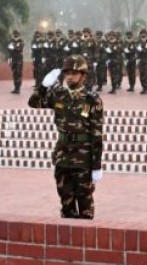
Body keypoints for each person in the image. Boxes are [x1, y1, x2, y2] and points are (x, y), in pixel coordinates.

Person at [28, 55, 103, 219]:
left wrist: (96, 165)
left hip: (83, 158)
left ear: (83, 75)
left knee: (85, 207)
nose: (69, 77)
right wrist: (43, 86)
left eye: (74, 73)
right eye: (67, 73)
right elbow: (33, 102)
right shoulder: (58, 95)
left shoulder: (92, 99)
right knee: (66, 205)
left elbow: (96, 134)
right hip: (62, 156)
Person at [136, 29, 147, 94]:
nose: (143, 38)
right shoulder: (138, 42)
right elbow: (137, 51)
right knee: (142, 74)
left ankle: (146, 87)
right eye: (142, 36)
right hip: (141, 60)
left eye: (144, 36)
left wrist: (141, 49)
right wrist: (137, 58)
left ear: (146, 36)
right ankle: (144, 86)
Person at [7, 29, 24, 94]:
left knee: (18, 74)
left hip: (19, 59)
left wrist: (13, 47)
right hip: (13, 59)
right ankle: (15, 88)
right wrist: (9, 58)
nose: (15, 35)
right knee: (14, 74)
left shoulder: (21, 41)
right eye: (14, 34)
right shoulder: (11, 41)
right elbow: (9, 49)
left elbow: (19, 49)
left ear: (18, 34)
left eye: (16, 34)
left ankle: (18, 88)